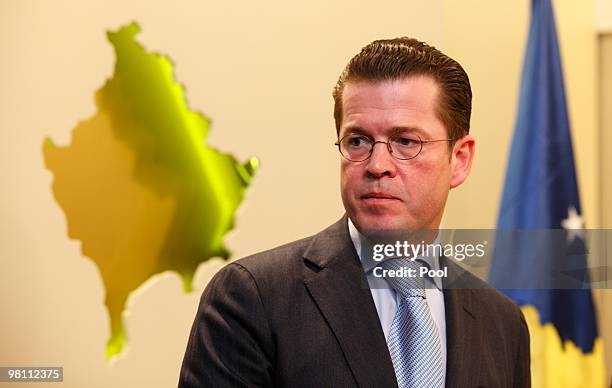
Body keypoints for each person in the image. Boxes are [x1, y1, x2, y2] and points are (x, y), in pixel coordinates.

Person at [179, 37, 531, 387]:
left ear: (460, 160)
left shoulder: (501, 323)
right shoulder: (253, 297)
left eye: (406, 141)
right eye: (358, 141)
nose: (377, 165)